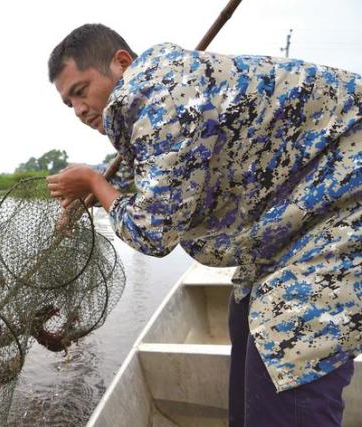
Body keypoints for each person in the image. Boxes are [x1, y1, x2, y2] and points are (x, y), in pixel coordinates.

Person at [46, 23, 362, 426]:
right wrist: (94, 185)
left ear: (121, 63)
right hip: (297, 225)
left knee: (288, 343)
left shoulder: (165, 100)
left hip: (343, 220)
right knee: (243, 312)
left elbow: (152, 232)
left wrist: (93, 183)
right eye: (68, 103)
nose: (79, 110)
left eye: (80, 91)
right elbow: (159, 173)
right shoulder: (162, 96)